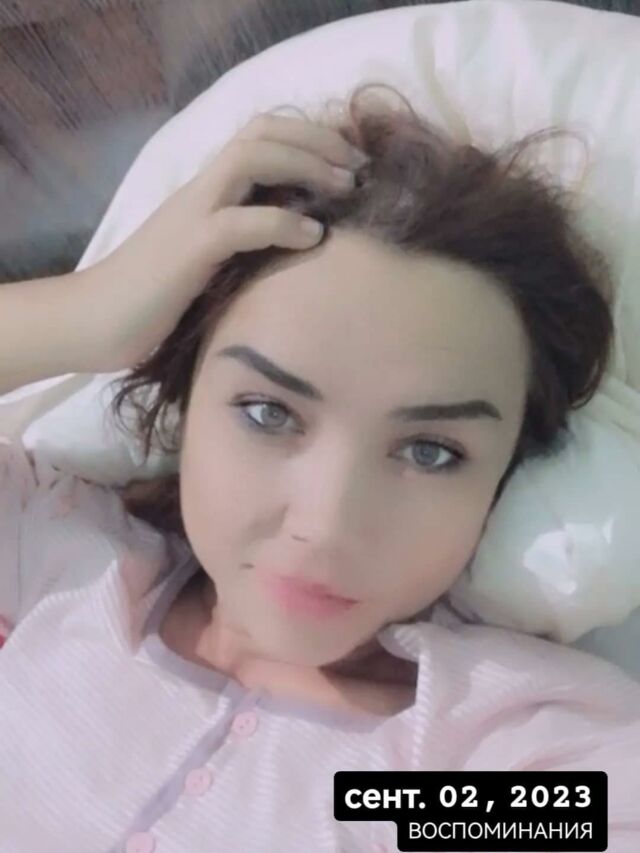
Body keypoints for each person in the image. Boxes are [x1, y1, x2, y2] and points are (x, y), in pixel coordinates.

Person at [0, 83, 638, 852]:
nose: (327, 524)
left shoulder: (481, 759)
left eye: (430, 451)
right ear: (185, 397)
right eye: (268, 412)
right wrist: (86, 313)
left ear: (505, 476)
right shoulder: (54, 560)